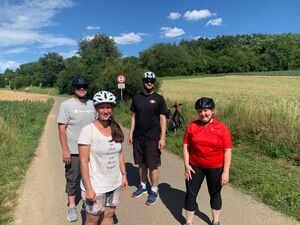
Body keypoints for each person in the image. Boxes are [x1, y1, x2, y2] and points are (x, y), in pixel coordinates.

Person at [78, 91, 128, 225]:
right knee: (92, 220)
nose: (105, 111)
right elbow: (83, 162)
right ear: (96, 109)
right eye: (102, 107)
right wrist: (88, 188)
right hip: (96, 185)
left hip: (114, 183)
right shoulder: (88, 130)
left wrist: (123, 174)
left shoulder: (115, 128)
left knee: (109, 215)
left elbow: (120, 152)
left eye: (108, 107)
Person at [182, 97, 232, 225]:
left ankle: (215, 221)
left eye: (205, 110)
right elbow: (186, 146)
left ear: (212, 111)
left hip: (215, 167)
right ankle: (189, 222)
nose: (203, 114)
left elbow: (227, 151)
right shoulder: (192, 126)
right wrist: (186, 165)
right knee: (190, 194)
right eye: (200, 111)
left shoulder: (221, 128)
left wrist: (225, 172)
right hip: (195, 166)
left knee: (215, 194)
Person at [57, 75, 96, 222]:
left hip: (91, 150)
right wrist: (65, 149)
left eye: (84, 87)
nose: (82, 89)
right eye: (79, 87)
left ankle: (87, 202)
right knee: (72, 178)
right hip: (73, 151)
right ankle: (72, 205)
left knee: (90, 177)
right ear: (74, 88)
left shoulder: (92, 104)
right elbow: (62, 129)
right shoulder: (66, 105)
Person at [128, 71, 167, 206]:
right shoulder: (136, 98)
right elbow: (133, 116)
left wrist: (162, 138)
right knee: (140, 163)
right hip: (138, 138)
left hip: (152, 139)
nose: (149, 83)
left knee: (152, 165)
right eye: (146, 80)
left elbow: (163, 118)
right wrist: (131, 133)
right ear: (143, 82)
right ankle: (143, 186)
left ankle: (154, 190)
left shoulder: (159, 99)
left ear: (154, 82)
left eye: (151, 81)